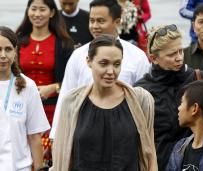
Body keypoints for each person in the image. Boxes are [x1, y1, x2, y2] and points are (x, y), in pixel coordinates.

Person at [134, 24, 203, 171]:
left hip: (197, 163)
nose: (179, 58)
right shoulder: (141, 90)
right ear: (153, 58)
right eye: (171, 54)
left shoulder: (197, 78)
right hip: (157, 165)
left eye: (180, 51)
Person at [50, 34, 157, 171]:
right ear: (89, 61)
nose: (111, 71)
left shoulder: (140, 100)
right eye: (103, 63)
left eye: (117, 64)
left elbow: (150, 155)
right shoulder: (71, 103)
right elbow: (62, 156)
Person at [49, 0, 150, 139]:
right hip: (84, 133)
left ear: (117, 22)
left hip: (124, 134)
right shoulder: (78, 55)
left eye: (101, 21)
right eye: (92, 20)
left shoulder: (137, 56)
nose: (95, 26)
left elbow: (144, 101)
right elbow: (66, 96)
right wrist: (55, 136)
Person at [15, 0, 73, 164]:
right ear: (28, 12)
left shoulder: (64, 44)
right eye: (33, 9)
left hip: (53, 111)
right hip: (22, 109)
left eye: (42, 9)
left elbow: (72, 82)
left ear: (52, 13)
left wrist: (53, 87)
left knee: (50, 158)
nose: (37, 14)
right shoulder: (17, 41)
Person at [0, 26, 50, 171]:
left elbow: (34, 136)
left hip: (20, 167)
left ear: (15, 52)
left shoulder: (28, 86)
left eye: (8, 49)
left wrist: (40, 168)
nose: (3, 55)